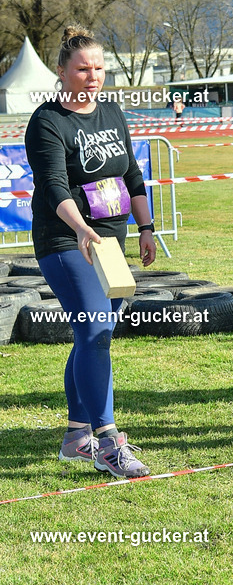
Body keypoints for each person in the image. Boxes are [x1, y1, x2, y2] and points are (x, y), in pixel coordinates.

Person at [24, 26, 156, 477]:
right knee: (96, 331)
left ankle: (76, 437)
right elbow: (53, 186)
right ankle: (107, 441)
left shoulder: (114, 114)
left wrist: (146, 227)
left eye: (99, 67)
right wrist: (80, 228)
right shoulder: (47, 121)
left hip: (112, 244)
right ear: (61, 72)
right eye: (82, 68)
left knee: (92, 336)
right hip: (67, 239)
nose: (93, 76)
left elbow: (133, 176)